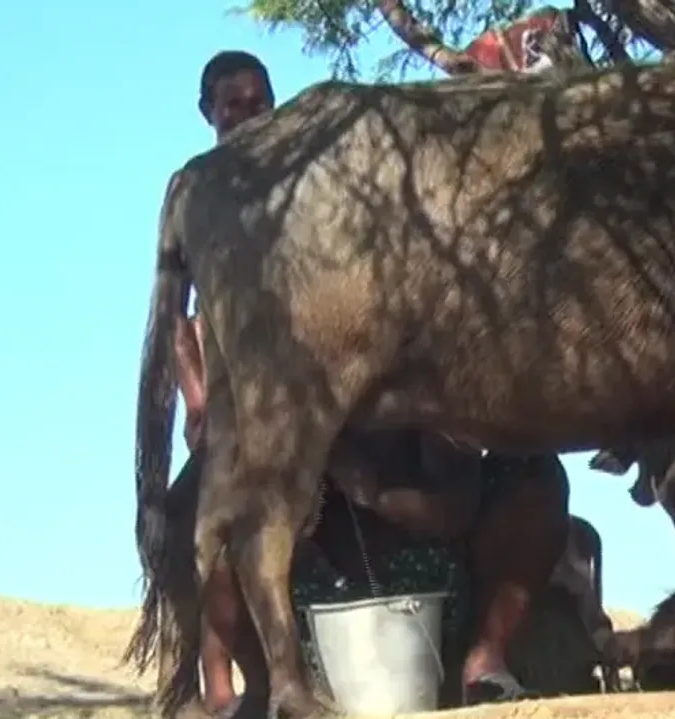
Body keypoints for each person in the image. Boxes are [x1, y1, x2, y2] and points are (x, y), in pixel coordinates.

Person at [173, 50, 570, 717]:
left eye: (258, 102)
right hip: (286, 524)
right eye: (232, 106)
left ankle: (486, 657)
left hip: (408, 534)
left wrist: (373, 488)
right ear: (208, 114)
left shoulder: (340, 230)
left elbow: (453, 478)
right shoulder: (207, 219)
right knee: (210, 512)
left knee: (532, 478)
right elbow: (197, 389)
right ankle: (239, 686)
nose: (246, 116)